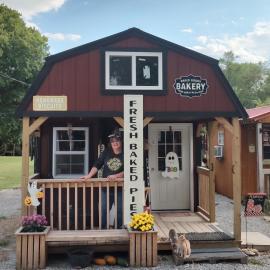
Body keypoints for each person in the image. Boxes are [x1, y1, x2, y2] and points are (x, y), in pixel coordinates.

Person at [80, 130, 123, 228]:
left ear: (121, 142)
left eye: (117, 140)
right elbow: (97, 164)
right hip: (106, 188)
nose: (115, 143)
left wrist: (116, 176)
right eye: (112, 141)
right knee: (104, 210)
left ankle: (119, 229)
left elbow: (130, 169)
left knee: (120, 210)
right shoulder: (106, 152)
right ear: (110, 143)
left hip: (120, 188)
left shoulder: (126, 153)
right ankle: (103, 229)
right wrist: (89, 175)